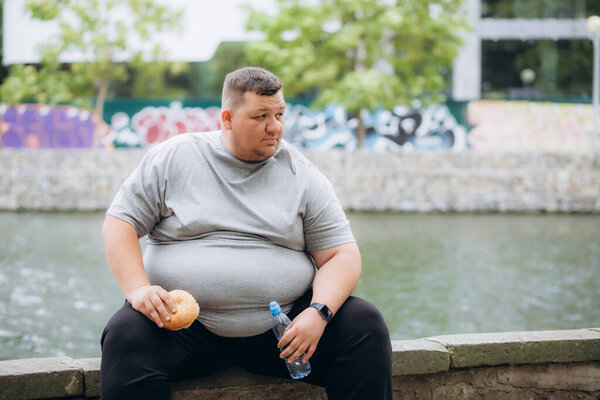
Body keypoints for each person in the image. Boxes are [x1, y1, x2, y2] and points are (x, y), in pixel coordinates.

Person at [100, 66, 393, 400]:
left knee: (364, 324)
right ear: (227, 118)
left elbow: (341, 255)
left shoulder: (303, 174)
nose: (275, 127)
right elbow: (119, 223)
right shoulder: (174, 157)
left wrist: (319, 312)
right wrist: (138, 290)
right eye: (261, 116)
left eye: (280, 114)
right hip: (182, 330)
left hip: (283, 335)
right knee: (126, 333)